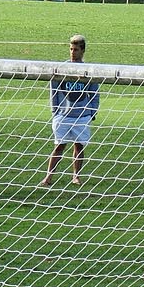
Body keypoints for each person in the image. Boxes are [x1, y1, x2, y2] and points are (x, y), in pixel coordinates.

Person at [42, 35, 100, 187]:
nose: (72, 52)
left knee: (79, 146)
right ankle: (48, 177)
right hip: (63, 115)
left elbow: (94, 93)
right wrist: (55, 112)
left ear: (82, 51)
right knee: (59, 146)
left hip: (82, 116)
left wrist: (92, 112)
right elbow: (53, 91)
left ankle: (76, 176)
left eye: (76, 49)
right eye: (71, 49)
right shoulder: (62, 69)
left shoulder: (88, 71)